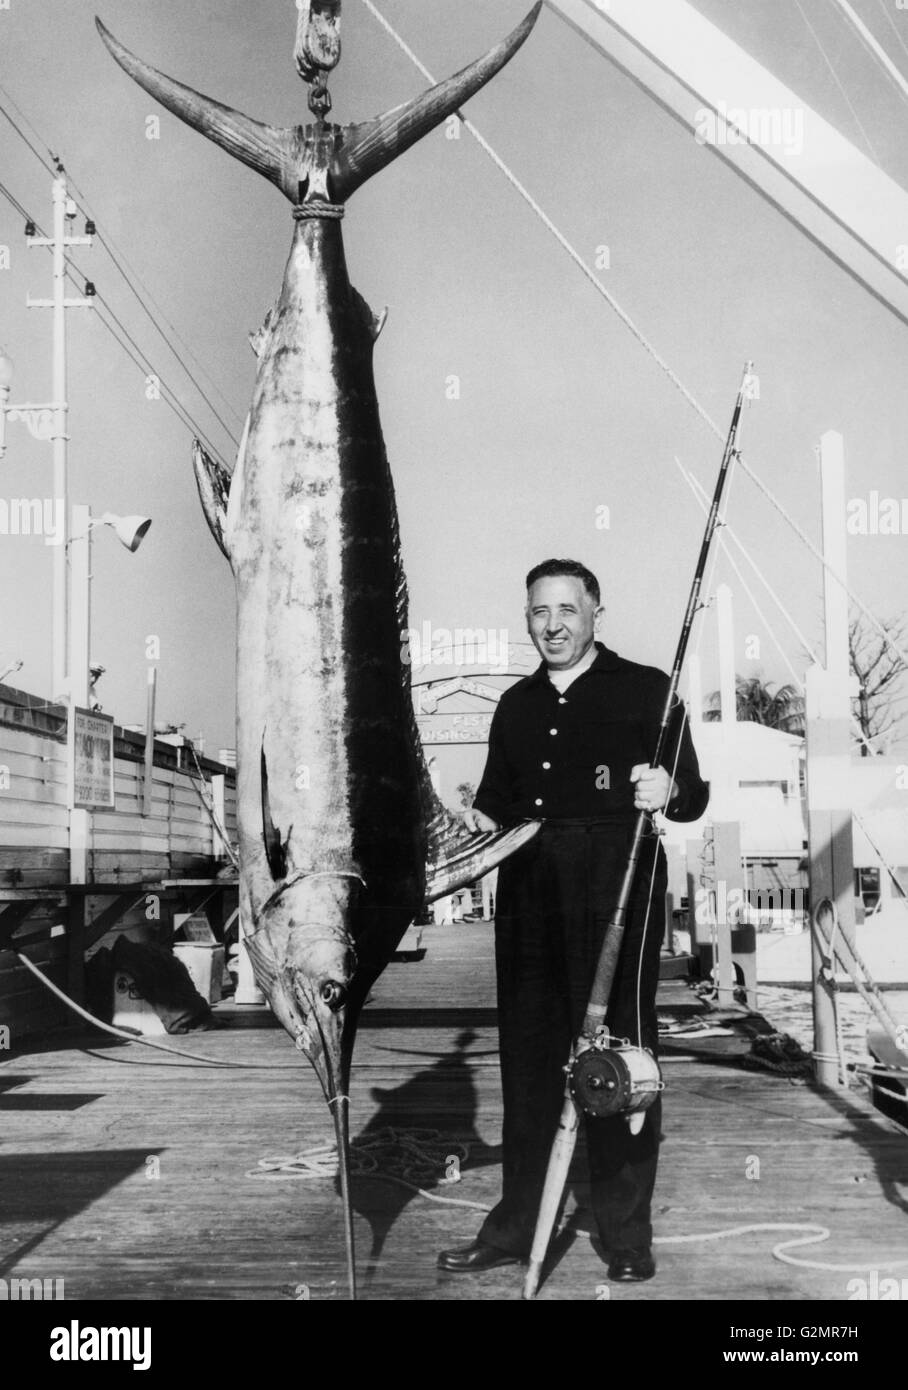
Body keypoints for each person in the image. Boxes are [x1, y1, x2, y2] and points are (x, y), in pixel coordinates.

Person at [437, 558, 709, 1283]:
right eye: (539, 612)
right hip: (529, 889)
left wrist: (668, 788)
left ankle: (625, 1234)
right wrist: (471, 823)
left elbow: (693, 796)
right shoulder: (515, 705)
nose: (552, 625)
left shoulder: (646, 688)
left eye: (566, 609)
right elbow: (494, 802)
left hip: (617, 884)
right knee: (529, 1062)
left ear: (595, 613)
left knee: (620, 1060)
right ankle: (515, 1227)